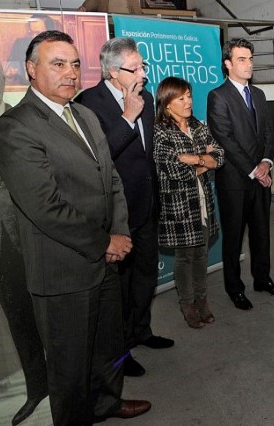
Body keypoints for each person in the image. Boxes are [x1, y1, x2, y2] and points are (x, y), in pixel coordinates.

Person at [0, 30, 150, 425]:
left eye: (76, 64)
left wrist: (120, 233)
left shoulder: (84, 114)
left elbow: (110, 178)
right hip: (63, 269)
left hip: (106, 259)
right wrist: (104, 242)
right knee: (69, 369)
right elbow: (45, 207)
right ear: (31, 69)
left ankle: (107, 403)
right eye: (58, 64)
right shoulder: (15, 127)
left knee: (107, 347)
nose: (70, 73)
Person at [75, 38, 173, 379]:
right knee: (119, 287)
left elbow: (146, 157)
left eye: (144, 66)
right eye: (137, 68)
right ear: (113, 72)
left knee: (145, 277)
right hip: (116, 214)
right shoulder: (88, 103)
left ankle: (141, 331)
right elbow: (97, 161)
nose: (144, 73)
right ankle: (120, 350)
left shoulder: (144, 98)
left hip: (146, 207)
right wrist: (128, 118)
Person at [0, 50, 48, 426]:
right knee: (18, 322)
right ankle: (37, 389)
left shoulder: (21, 118)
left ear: (6, 76)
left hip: (33, 234)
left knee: (52, 316)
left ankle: (68, 383)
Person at [207, 38, 274, 311]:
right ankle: (235, 288)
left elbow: (267, 133)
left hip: (261, 177)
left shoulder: (260, 95)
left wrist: (266, 162)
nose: (249, 63)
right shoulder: (218, 96)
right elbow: (225, 140)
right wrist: (255, 170)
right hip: (234, 181)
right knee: (233, 238)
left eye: (250, 58)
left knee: (262, 233)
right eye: (242, 59)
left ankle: (262, 279)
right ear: (228, 64)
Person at [154, 77, 224, 328]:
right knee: (185, 258)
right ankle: (187, 303)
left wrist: (193, 159)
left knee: (202, 255)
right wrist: (204, 160)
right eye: (181, 98)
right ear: (167, 103)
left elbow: (220, 156)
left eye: (189, 96)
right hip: (179, 207)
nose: (188, 102)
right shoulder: (161, 131)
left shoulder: (198, 126)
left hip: (203, 203)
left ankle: (202, 300)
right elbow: (172, 170)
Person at [5, 14, 56, 86]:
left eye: (38, 33)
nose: (34, 37)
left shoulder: (58, 49)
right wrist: (10, 75)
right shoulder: (20, 45)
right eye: (31, 32)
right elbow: (10, 71)